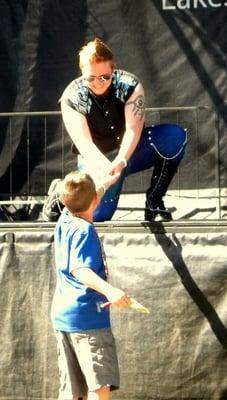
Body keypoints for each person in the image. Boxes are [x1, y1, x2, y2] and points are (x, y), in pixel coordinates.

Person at [43, 37, 187, 223]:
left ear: (113, 69)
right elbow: (84, 143)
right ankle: (62, 190)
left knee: (174, 137)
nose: (98, 82)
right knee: (99, 215)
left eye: (105, 77)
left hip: (130, 151)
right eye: (91, 78)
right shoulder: (71, 97)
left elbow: (133, 129)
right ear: (82, 72)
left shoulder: (129, 85)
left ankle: (154, 202)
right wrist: (106, 168)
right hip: (96, 158)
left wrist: (121, 160)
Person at [51, 171, 132, 400]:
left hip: (64, 318)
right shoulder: (84, 231)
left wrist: (106, 181)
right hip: (88, 321)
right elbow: (80, 270)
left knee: (72, 390)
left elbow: (82, 196)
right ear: (95, 201)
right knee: (99, 386)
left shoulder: (65, 217)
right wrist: (111, 290)